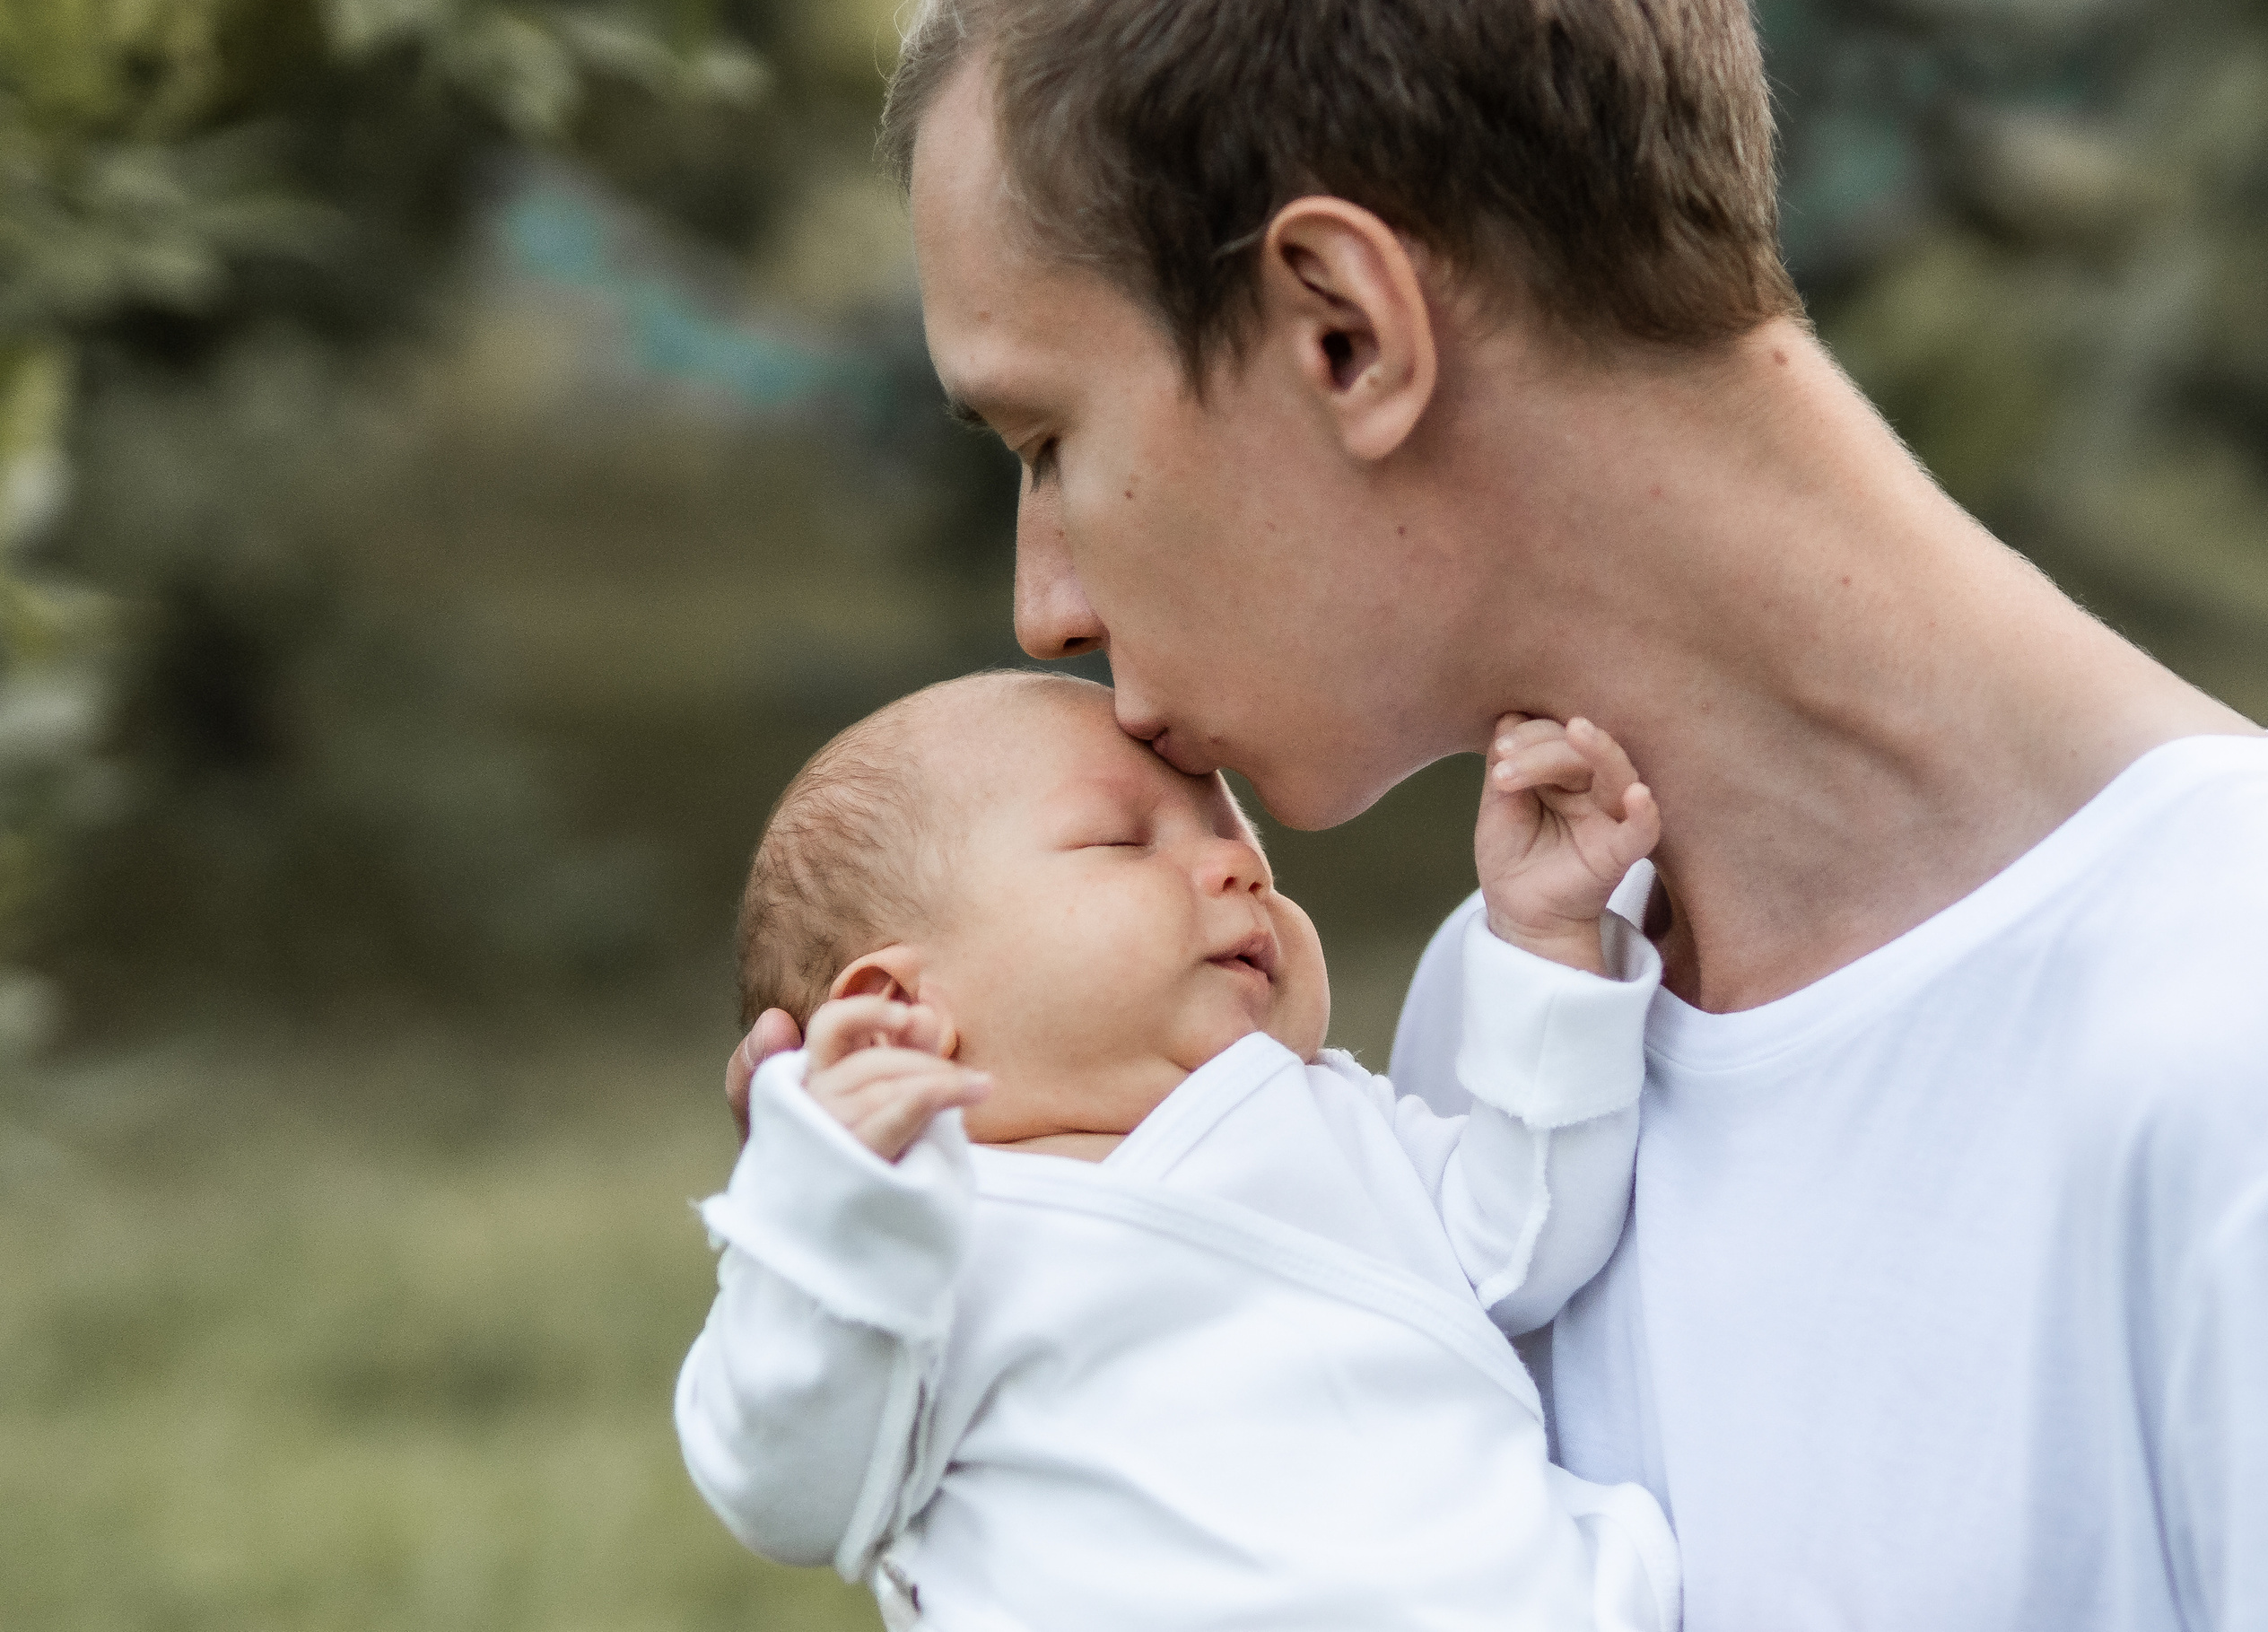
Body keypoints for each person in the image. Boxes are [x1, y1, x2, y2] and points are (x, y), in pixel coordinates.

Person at [728, 0, 2268, 1627]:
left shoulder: (2225, 1043)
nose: (1047, 610)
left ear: (1344, 332)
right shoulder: (1502, 1020)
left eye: (1045, 440)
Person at [679, 671, 1678, 1629]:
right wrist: (827, 1223)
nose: (1238, 867)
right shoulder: (912, 1242)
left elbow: (1529, 1239)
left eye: (1249, 853)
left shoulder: (1330, 1120)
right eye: (1121, 840)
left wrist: (1546, 942)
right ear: (898, 1012)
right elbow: (783, 1492)